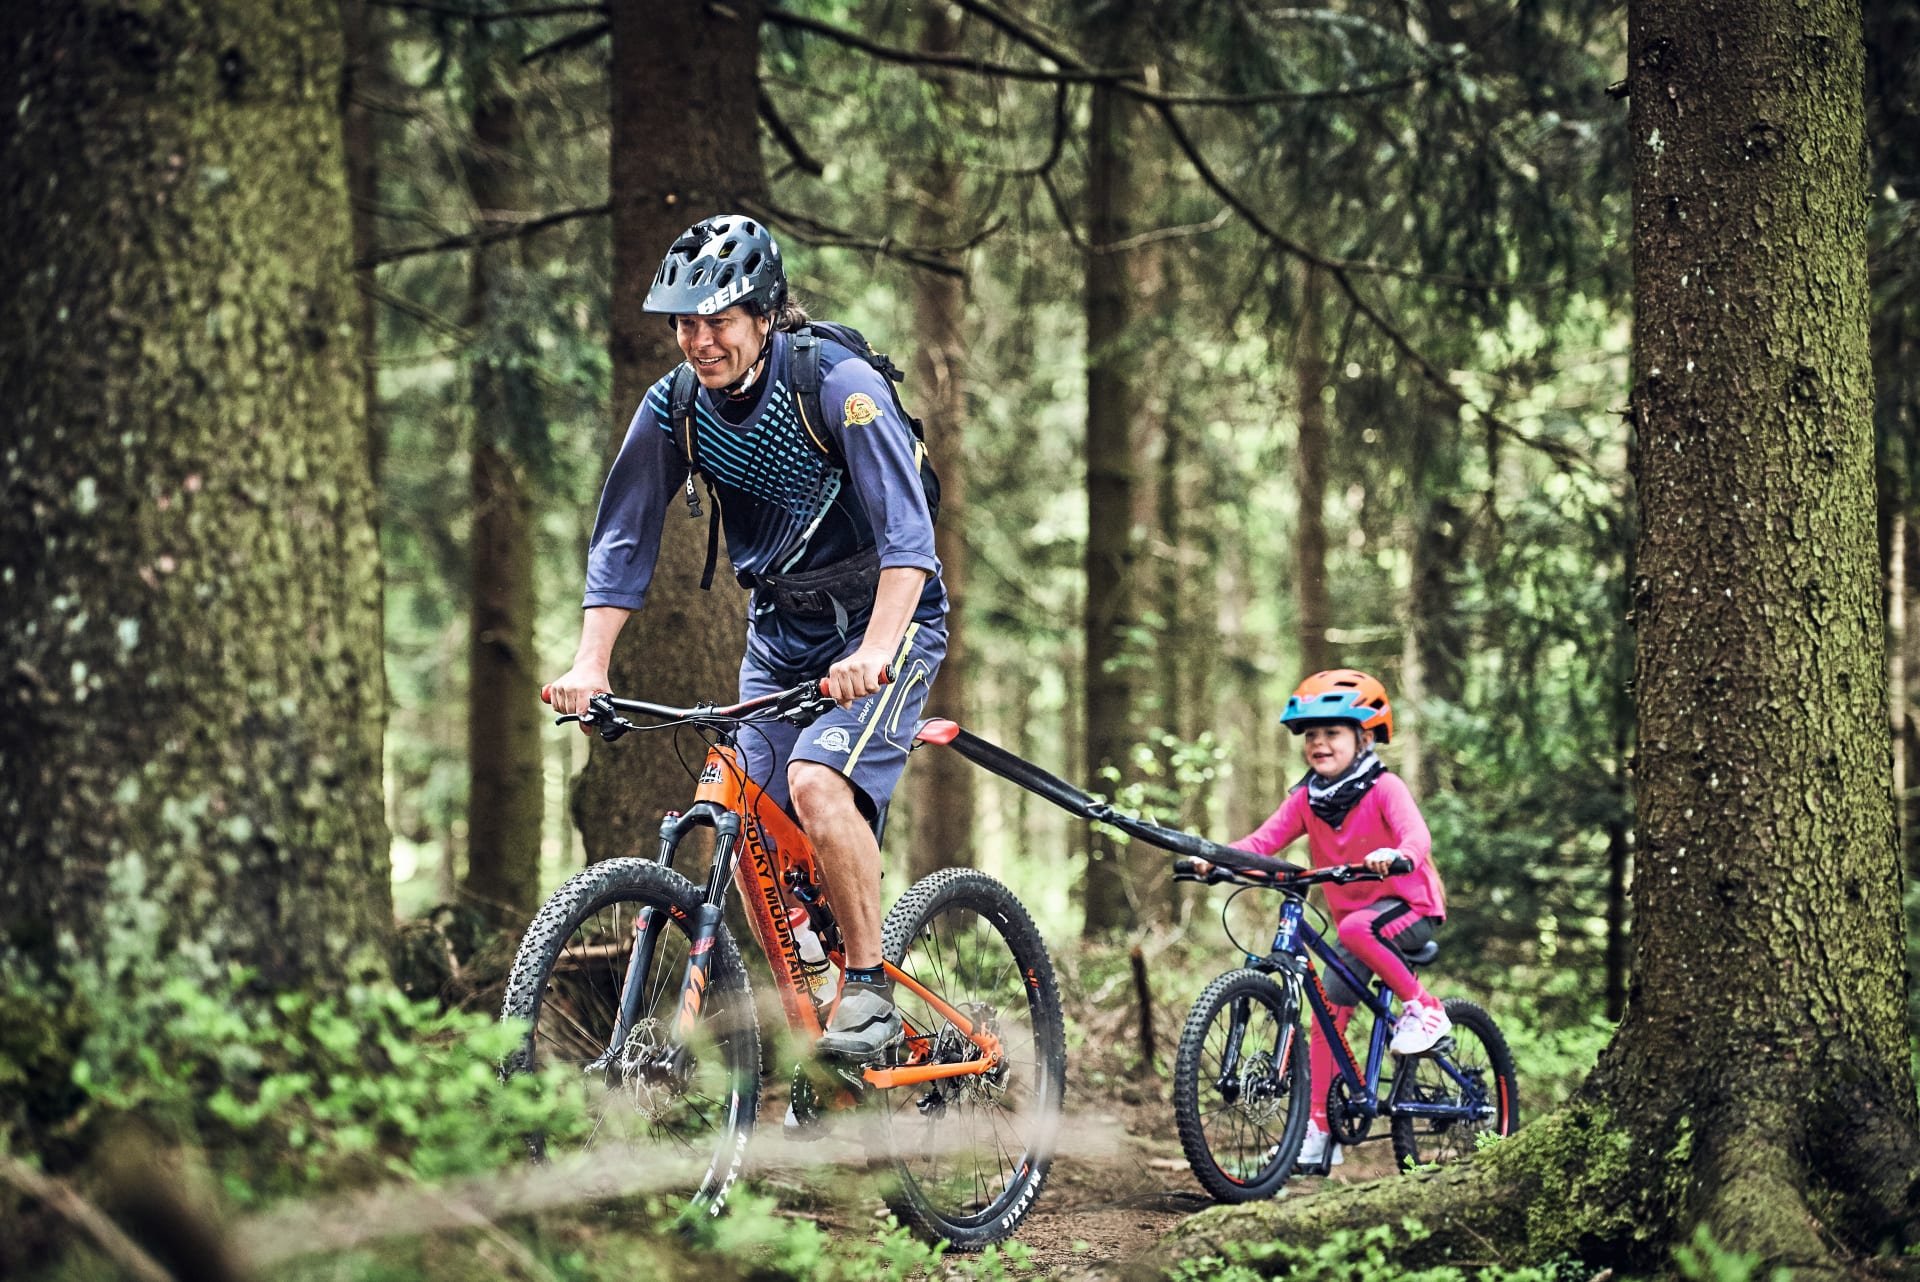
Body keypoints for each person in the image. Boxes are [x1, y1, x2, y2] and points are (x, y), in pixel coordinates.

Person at [544, 214, 946, 1064]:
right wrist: (591, 661)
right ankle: (812, 1007)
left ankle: (869, 990)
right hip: (780, 633)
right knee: (743, 814)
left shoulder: (835, 384)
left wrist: (873, 652)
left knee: (815, 782)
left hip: (885, 622)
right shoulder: (676, 406)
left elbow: (910, 539)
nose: (698, 341)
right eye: (684, 323)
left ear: (763, 314)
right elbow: (624, 537)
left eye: (717, 320)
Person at [1229, 668, 1449, 1171]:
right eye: (1312, 735)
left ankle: (1427, 1009)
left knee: (1354, 928)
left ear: (1363, 737)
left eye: (1333, 733)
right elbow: (1262, 844)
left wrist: (1397, 853)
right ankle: (1321, 1131)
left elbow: (1418, 837)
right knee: (1327, 1020)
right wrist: (1211, 858)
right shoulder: (1307, 797)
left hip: (1408, 907)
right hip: (1357, 925)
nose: (1319, 743)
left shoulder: (1385, 786)